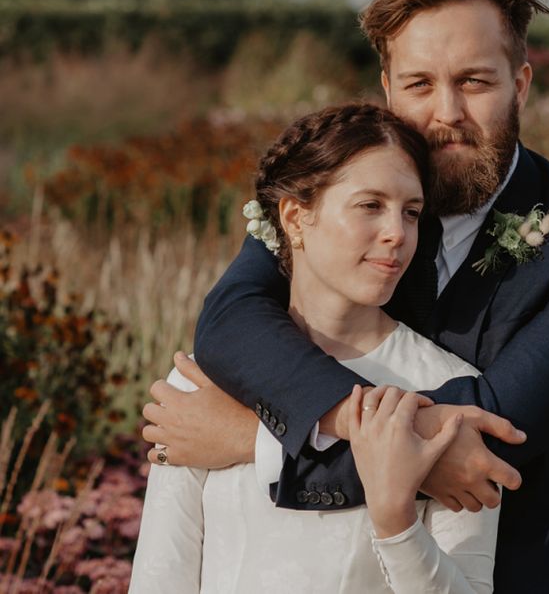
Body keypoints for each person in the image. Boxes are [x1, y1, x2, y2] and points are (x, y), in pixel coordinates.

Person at [144, 0, 549, 593]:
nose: (446, 113)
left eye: (474, 81)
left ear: (520, 84)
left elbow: (489, 436)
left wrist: (254, 440)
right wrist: (351, 429)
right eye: (419, 84)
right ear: (387, 87)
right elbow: (231, 321)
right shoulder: (342, 199)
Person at [132, 104, 507, 593]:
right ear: (295, 217)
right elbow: (160, 579)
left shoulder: (449, 390)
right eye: (370, 205)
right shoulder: (203, 386)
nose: (397, 232)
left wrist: (397, 524)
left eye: (410, 212)